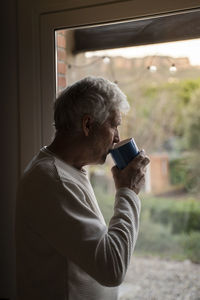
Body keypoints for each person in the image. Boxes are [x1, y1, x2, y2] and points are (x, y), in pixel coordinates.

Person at [16, 76, 150, 300]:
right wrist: (127, 192)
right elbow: (112, 269)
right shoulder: (52, 180)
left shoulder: (67, 170)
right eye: (114, 125)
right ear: (87, 125)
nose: (117, 138)